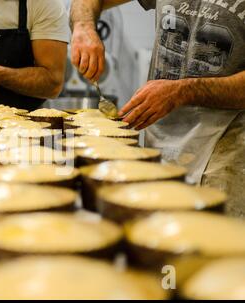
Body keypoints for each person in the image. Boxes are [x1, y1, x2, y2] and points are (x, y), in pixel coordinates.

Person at [70, 0, 245, 217]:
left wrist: (183, 91)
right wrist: (83, 27)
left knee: (216, 242)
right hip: (158, 144)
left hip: (226, 152)